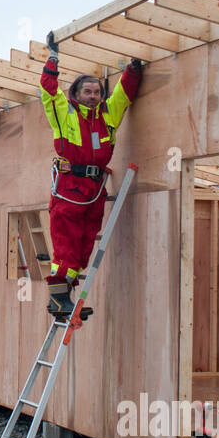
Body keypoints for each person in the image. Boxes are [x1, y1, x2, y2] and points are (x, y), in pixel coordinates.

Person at [41, 33, 142, 318]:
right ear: (76, 94)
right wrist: (53, 57)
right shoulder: (64, 111)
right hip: (69, 189)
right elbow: (48, 90)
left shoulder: (107, 115)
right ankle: (59, 300)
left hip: (95, 190)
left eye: (97, 91)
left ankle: (63, 299)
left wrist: (132, 71)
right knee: (67, 245)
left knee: (84, 245)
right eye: (88, 91)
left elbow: (123, 95)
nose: (93, 95)